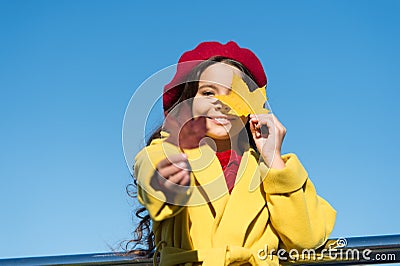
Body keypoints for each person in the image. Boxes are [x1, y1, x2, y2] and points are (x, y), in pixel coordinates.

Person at [131, 41, 336, 265]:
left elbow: (307, 240)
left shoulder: (270, 170)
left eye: (234, 95)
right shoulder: (167, 152)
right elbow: (153, 178)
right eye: (208, 92)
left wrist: (274, 159)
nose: (221, 103)